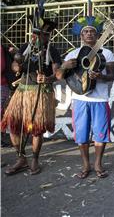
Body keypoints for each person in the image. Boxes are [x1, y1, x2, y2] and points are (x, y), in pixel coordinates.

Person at [56, 16, 114, 179]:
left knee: (100, 134)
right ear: (81, 36)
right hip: (80, 100)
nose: (89, 34)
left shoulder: (107, 53)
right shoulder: (73, 54)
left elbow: (111, 76)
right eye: (85, 32)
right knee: (81, 135)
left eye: (92, 32)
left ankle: (98, 164)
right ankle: (85, 165)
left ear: (97, 36)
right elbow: (60, 75)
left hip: (100, 100)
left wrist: (100, 77)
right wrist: (65, 65)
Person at [1, 18, 61, 175]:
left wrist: (48, 79)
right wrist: (17, 66)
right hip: (22, 91)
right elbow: (15, 64)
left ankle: (34, 158)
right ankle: (21, 158)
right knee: (13, 126)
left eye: (42, 34)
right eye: (36, 34)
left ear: (48, 35)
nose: (38, 37)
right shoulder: (26, 47)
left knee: (36, 130)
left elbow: (58, 73)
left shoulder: (52, 50)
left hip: (41, 93)